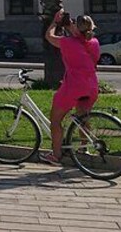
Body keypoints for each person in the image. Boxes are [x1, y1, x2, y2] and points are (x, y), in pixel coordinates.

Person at [40, 10, 101, 166]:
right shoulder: (94, 42)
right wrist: (71, 28)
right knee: (83, 116)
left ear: (76, 28)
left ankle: (56, 155)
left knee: (55, 119)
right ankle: (83, 147)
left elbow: (49, 36)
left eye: (74, 23)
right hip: (91, 85)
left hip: (74, 86)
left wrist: (55, 22)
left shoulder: (67, 42)